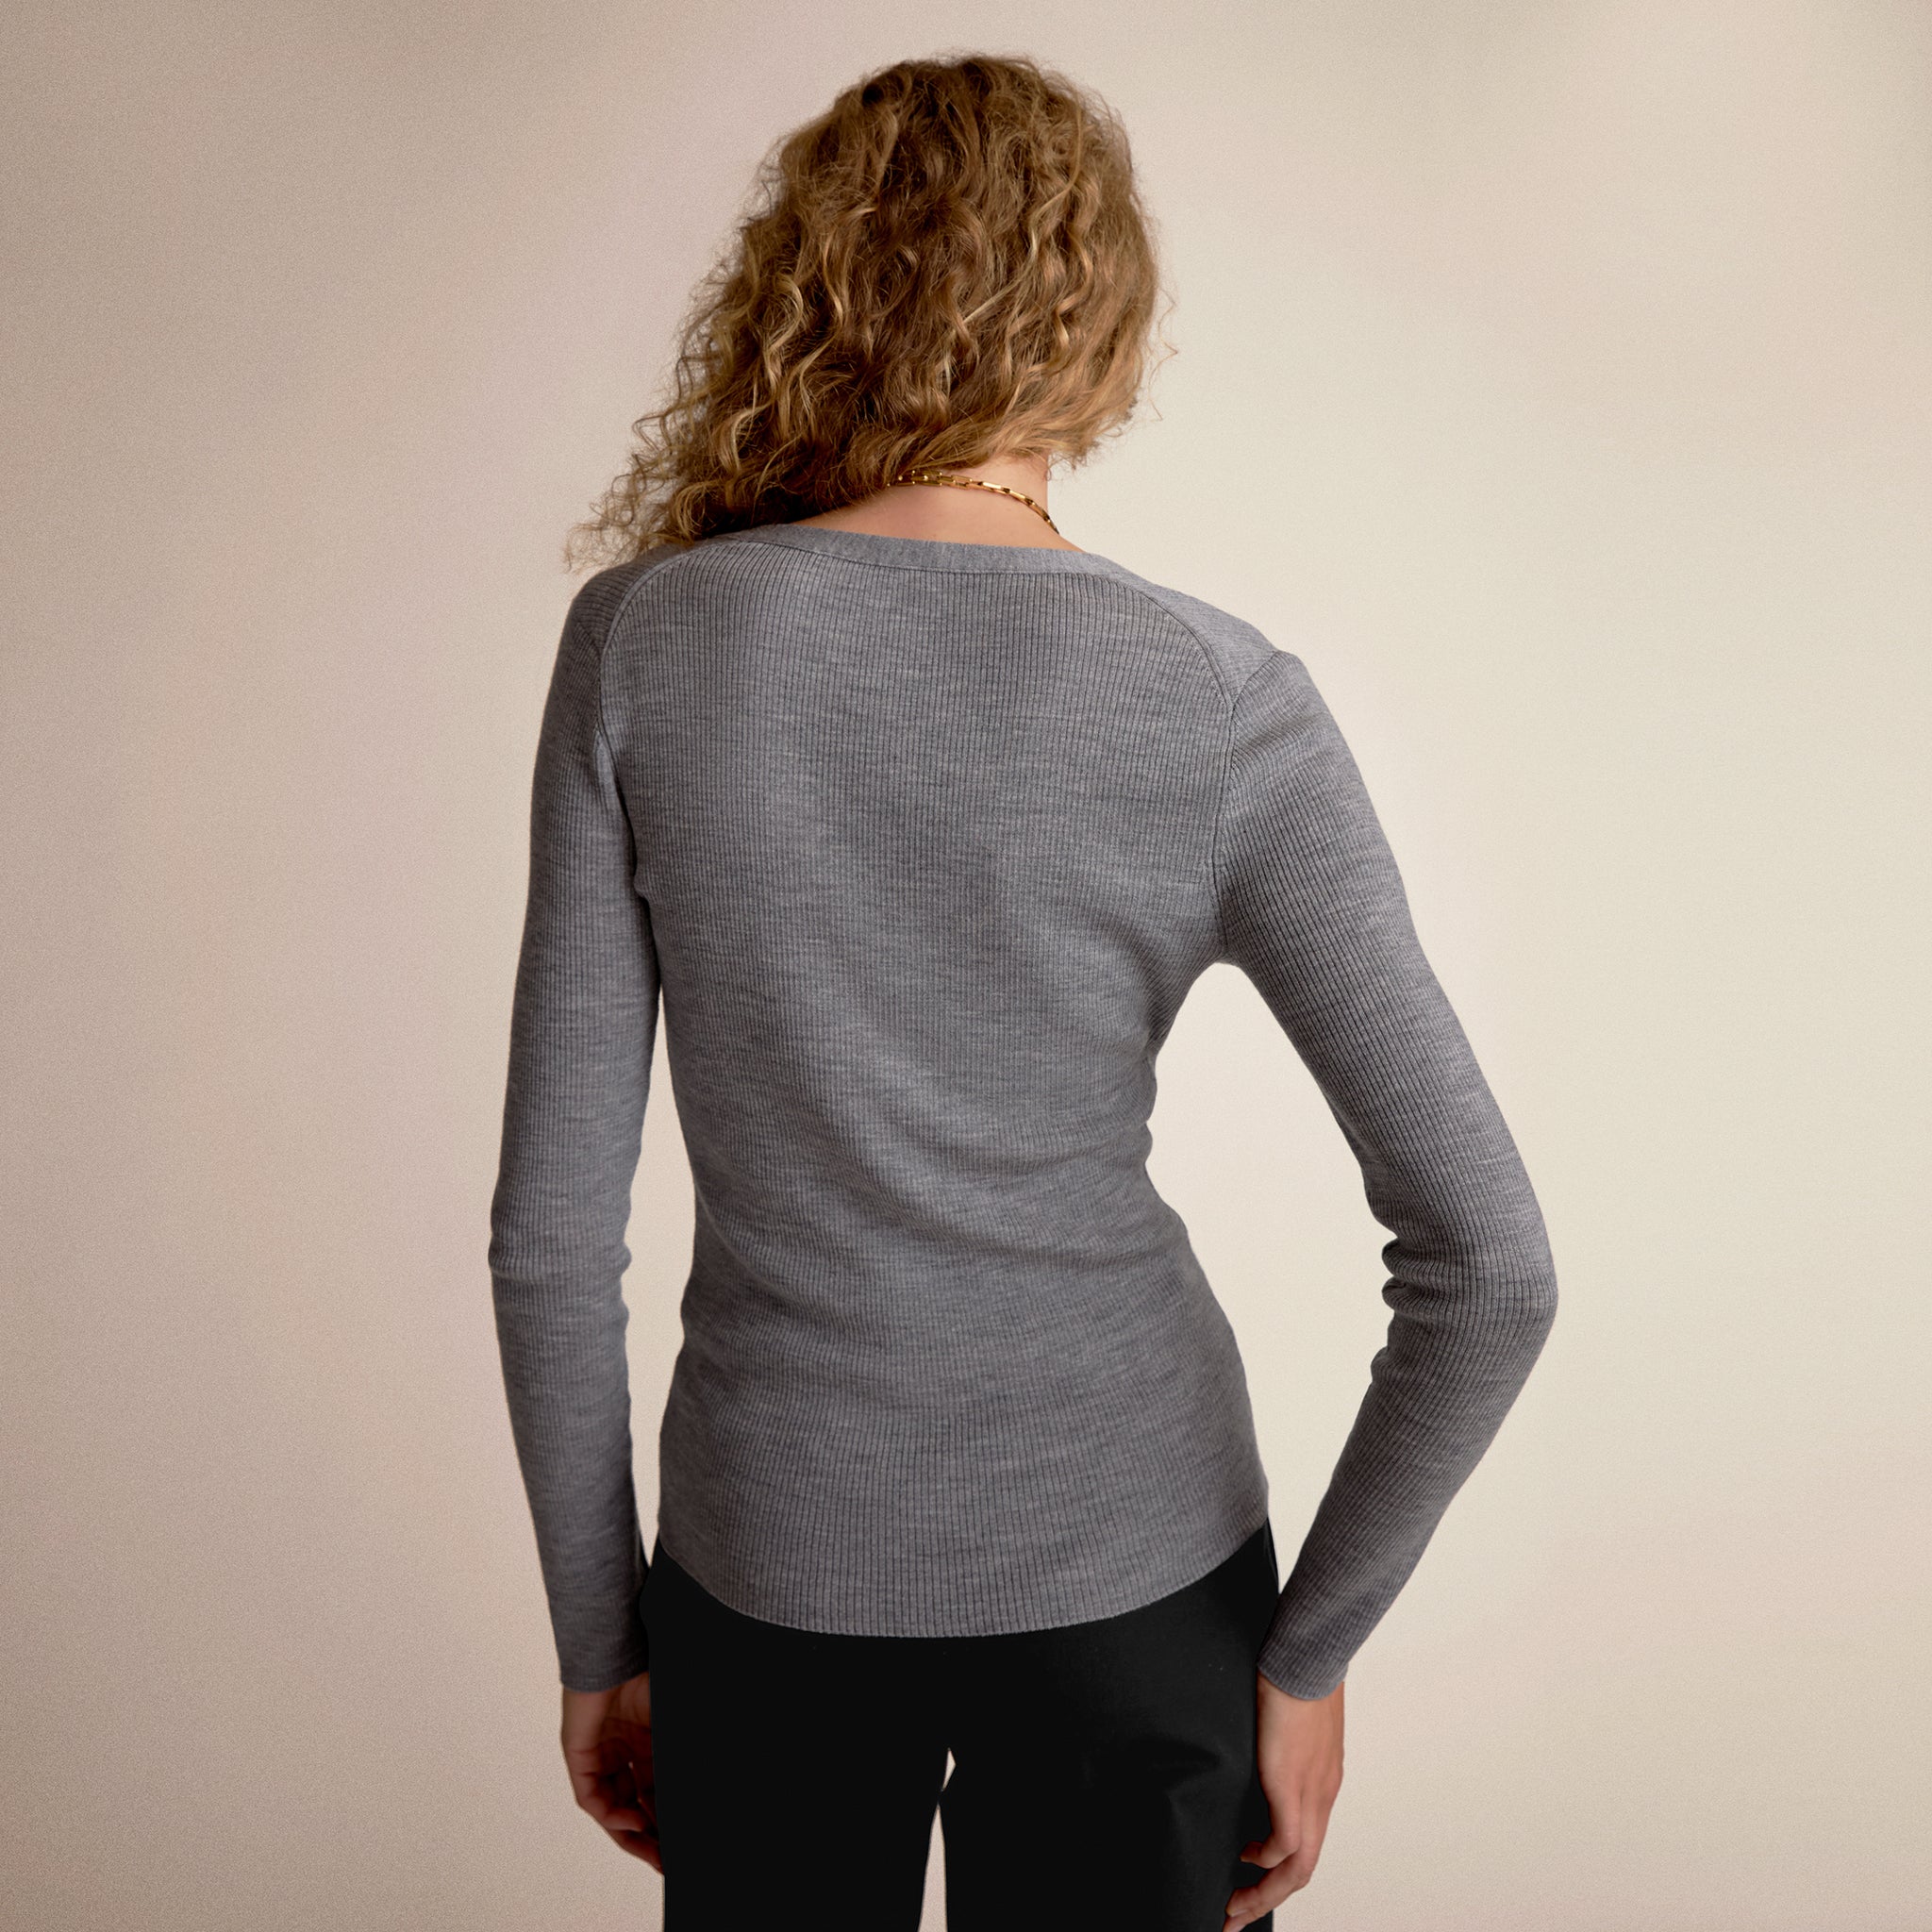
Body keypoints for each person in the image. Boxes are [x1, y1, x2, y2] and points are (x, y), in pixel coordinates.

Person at [487, 51, 1558, 1932]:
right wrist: (1307, 1660)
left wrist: (604, 1634)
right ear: (1099, 331)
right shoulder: (1220, 700)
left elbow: (551, 1239)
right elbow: (1494, 1261)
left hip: (769, 1577)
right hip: (1142, 1593)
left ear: (807, 290)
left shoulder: (647, 646)